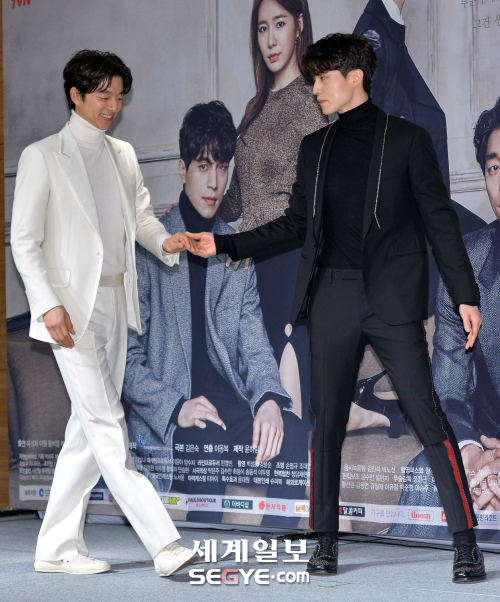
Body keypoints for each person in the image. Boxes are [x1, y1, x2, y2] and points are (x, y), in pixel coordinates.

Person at [187, 33, 487, 583]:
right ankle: (324, 540)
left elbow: (440, 223)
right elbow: (293, 226)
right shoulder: (315, 148)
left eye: (323, 78)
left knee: (428, 417)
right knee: (324, 426)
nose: (316, 88)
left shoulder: (408, 140)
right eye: (313, 78)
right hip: (333, 297)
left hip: (391, 299)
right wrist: (225, 243)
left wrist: (465, 294)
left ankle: (465, 542)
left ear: (354, 77)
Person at [10, 50, 198, 577]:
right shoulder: (42, 156)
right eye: (102, 96)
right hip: (70, 311)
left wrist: (166, 242)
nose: (113, 106)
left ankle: (55, 546)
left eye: (118, 96)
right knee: (106, 423)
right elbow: (24, 241)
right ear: (75, 95)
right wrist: (48, 305)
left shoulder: (123, 153)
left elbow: (140, 218)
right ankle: (164, 543)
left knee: (85, 430)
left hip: (118, 305)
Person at [122, 101, 308, 528]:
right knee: (209, 440)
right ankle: (201, 559)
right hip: (174, 417)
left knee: (293, 431)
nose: (214, 182)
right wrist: (176, 407)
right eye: (204, 166)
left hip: (229, 407)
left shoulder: (235, 249)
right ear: (182, 169)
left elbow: (254, 344)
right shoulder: (150, 246)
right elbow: (126, 361)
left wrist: (268, 399)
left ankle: (275, 551)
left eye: (223, 168)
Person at [389, 96, 500, 541]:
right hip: (485, 448)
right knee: (429, 470)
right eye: (495, 167)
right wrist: (471, 455)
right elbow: (449, 392)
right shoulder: (466, 263)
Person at [218, 0, 327, 421]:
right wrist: (192, 206)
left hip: (289, 257)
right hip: (252, 263)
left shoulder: (315, 101)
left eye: (279, 24)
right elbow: (238, 199)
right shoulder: (254, 107)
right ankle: (355, 409)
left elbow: (319, 202)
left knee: (284, 390)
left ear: (298, 25)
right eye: (262, 28)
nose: (270, 39)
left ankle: (311, 414)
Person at [353, 0, 486, 315]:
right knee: (478, 245)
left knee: (483, 241)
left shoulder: (387, 27)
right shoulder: (374, 34)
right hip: (405, 210)